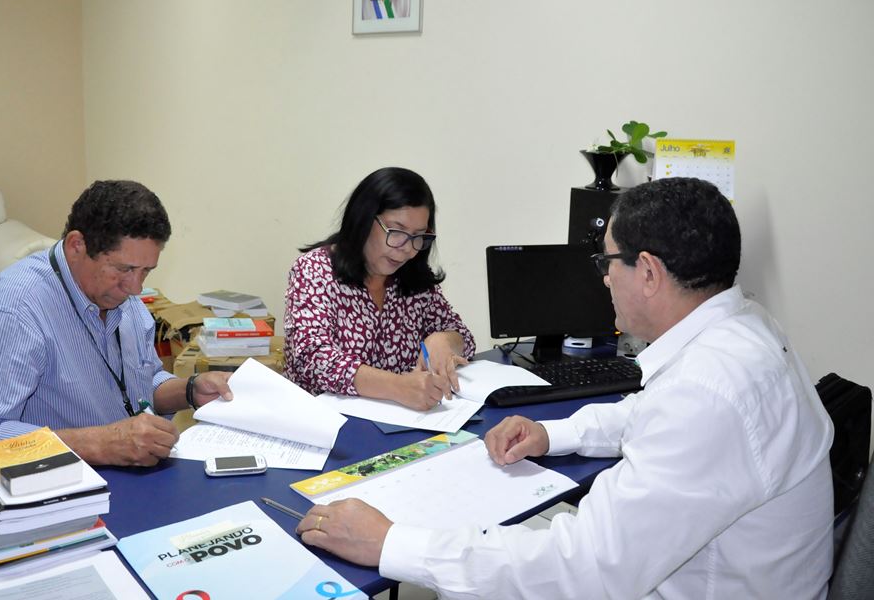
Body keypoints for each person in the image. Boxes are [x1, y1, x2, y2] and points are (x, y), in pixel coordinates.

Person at [297, 177, 835, 599]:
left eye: (607, 261)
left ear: (647, 272)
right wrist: (553, 434)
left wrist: (391, 543)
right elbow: (650, 415)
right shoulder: (744, 333)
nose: (603, 279)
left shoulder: (710, 391)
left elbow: (584, 571)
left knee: (484, 566)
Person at [0, 180, 233, 470]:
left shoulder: (118, 296)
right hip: (57, 491)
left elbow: (139, 385)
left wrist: (190, 390)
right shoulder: (16, 310)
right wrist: (101, 444)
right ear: (77, 245)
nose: (135, 288)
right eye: (124, 269)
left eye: (146, 271)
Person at [284, 167, 475, 411]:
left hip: (400, 421)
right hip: (323, 423)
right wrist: (399, 387)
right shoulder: (315, 269)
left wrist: (444, 340)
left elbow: (465, 339)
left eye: (418, 236)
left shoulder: (413, 279)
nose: (407, 249)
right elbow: (312, 359)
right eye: (397, 231)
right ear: (364, 219)